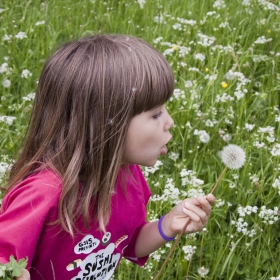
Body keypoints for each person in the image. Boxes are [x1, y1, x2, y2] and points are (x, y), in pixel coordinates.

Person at [0, 35, 215, 280]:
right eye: (156, 114)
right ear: (105, 124)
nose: (170, 122)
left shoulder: (127, 177)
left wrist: (167, 226)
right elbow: (5, 263)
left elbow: (127, 243)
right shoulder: (45, 193)